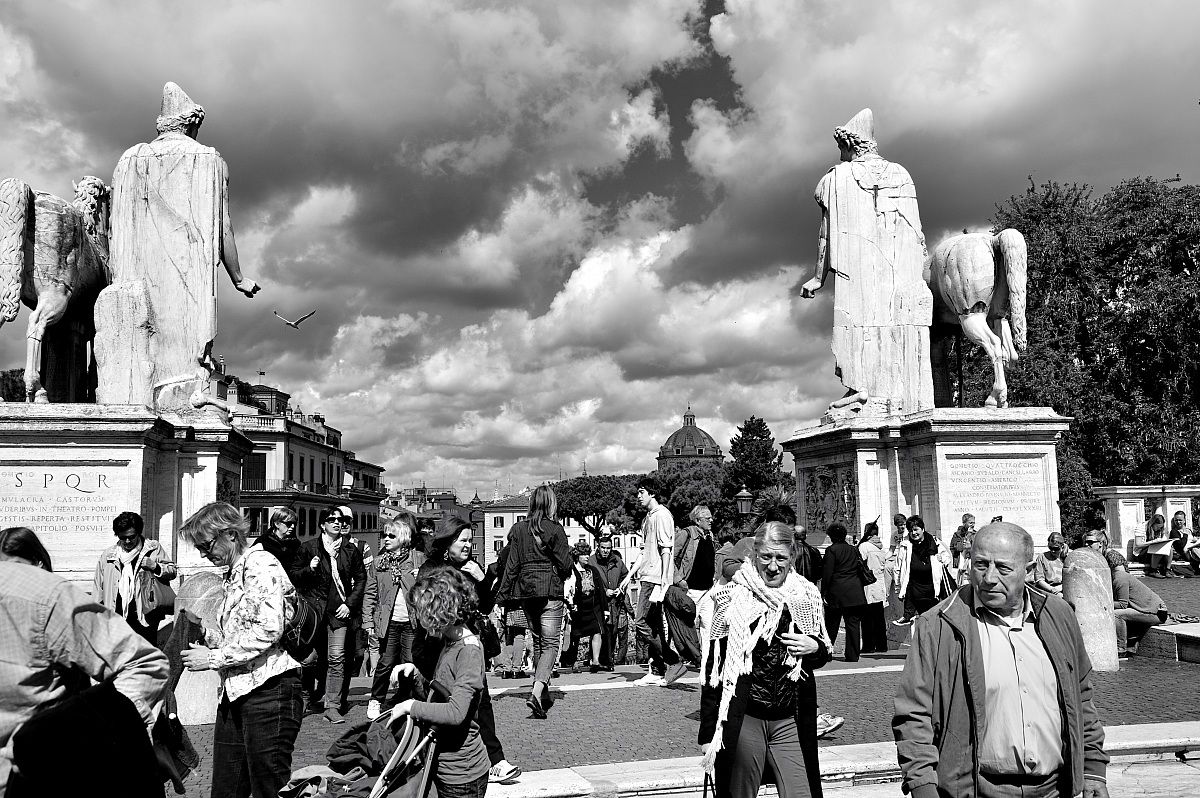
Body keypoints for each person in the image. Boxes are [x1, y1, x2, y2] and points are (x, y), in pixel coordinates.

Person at [893, 521, 1110, 798]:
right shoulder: (938, 625)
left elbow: (1081, 697)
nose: (989, 577)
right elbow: (913, 714)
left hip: (1055, 789)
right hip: (974, 789)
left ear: (1029, 571)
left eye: (1003, 568)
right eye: (981, 564)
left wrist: (1092, 769)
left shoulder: (1059, 616)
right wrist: (923, 787)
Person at [96, 81, 259, 413]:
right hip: (188, 275)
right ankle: (185, 397)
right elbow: (222, 226)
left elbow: (115, 227)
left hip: (135, 277)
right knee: (187, 351)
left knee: (145, 343)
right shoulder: (210, 160)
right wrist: (238, 277)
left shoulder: (130, 159)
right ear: (193, 123)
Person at [1, 527, 169, 797]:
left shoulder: (46, 597)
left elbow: (142, 662)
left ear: (39, 564)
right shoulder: (106, 556)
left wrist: (104, 737)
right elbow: (101, 585)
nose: (126, 541)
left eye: (20, 568)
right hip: (112, 618)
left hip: (142, 617)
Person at [800, 108, 933, 416]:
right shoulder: (901, 173)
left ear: (849, 144)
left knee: (857, 328)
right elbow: (917, 232)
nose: (840, 153)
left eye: (840, 147)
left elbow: (825, 234)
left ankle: (861, 391)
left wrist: (818, 278)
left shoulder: (834, 179)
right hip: (899, 269)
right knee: (894, 327)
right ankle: (890, 393)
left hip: (856, 271)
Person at [179, 502, 305, 798]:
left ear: (231, 535)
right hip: (235, 693)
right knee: (226, 789)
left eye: (206, 545)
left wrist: (212, 658)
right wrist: (206, 634)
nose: (202, 553)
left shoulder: (261, 564)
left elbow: (268, 629)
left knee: (270, 789)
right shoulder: (234, 572)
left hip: (269, 692)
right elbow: (240, 634)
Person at [699, 522, 832, 798]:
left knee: (801, 792)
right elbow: (715, 669)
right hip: (747, 715)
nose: (773, 566)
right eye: (766, 557)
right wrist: (708, 732)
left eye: (781, 558)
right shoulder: (733, 597)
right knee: (740, 793)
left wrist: (814, 646)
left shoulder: (805, 595)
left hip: (790, 718)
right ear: (754, 554)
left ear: (792, 557)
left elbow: (822, 654)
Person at [421, 516, 520, 785]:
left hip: (468, 643)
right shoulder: (431, 568)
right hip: (439, 647)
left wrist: (483, 578)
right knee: (442, 704)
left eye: (470, 541)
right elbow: (427, 608)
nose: (468, 545)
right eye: (462, 540)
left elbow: (486, 606)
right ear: (448, 542)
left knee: (482, 701)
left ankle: (496, 760)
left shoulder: (471, 568)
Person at [388, 567, 491, 798]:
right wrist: (416, 675)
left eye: (423, 612)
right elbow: (442, 692)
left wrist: (410, 706)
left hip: (463, 776)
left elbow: (456, 712)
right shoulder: (451, 642)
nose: (419, 619)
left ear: (439, 610)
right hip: (445, 767)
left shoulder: (468, 652)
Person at [494, 485, 573, 718]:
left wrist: (502, 594)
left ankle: (542, 693)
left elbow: (512, 565)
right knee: (550, 644)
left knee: (538, 642)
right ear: (551, 504)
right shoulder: (555, 529)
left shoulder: (518, 529)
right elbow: (566, 564)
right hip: (550, 590)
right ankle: (537, 691)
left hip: (526, 591)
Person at [299, 507, 366, 723]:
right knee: (308, 659)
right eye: (332, 519)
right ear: (322, 524)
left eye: (341, 520)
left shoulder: (350, 550)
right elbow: (294, 576)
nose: (337, 523)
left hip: (339, 613)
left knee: (337, 658)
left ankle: (333, 706)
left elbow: (361, 579)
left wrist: (349, 603)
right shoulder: (309, 548)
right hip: (315, 613)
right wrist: (309, 569)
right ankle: (306, 697)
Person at [620, 477, 685, 687]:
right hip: (647, 577)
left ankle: (673, 661)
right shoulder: (647, 518)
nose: (638, 496)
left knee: (641, 622)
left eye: (641, 492)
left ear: (652, 493)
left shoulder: (662, 516)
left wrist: (665, 582)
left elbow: (667, 550)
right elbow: (643, 551)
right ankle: (657, 669)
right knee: (654, 625)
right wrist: (628, 577)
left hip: (655, 579)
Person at [363, 512, 419, 720]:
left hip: (412, 621)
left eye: (391, 536)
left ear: (403, 538)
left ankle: (406, 698)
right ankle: (376, 699)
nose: (386, 539)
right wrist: (367, 620)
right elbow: (370, 593)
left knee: (409, 661)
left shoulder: (416, 561)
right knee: (385, 662)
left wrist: (414, 576)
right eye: (384, 535)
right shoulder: (378, 564)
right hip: (389, 621)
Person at [92, 511, 178, 645]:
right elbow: (99, 587)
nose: (127, 541)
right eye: (123, 537)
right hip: (116, 615)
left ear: (138, 533)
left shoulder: (152, 549)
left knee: (146, 654)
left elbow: (172, 571)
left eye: (131, 537)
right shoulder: (108, 555)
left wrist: (155, 566)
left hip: (146, 615)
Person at [1085, 536, 1170, 658]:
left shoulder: (1119, 578)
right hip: (1145, 609)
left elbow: (1122, 604)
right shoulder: (1114, 577)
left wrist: (1100, 602)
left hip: (1156, 612)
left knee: (1116, 614)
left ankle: (1121, 649)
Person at [821, 523, 868, 663]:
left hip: (837, 592)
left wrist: (823, 592)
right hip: (855, 591)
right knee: (853, 624)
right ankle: (853, 655)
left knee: (831, 624)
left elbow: (827, 573)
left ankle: (827, 653)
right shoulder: (853, 549)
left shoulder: (831, 550)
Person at [892, 515, 950, 626]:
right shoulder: (905, 545)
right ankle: (907, 615)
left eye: (916, 529)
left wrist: (941, 558)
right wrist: (898, 587)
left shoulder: (934, 542)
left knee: (932, 621)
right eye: (910, 531)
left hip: (931, 588)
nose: (913, 533)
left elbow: (947, 558)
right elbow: (898, 567)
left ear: (922, 529)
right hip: (914, 588)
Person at [566, 542, 608, 673]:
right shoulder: (571, 570)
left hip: (593, 607)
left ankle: (595, 661)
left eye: (587, 554)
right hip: (578, 608)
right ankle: (574, 662)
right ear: (577, 556)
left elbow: (600, 590)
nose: (586, 557)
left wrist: (605, 609)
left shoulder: (592, 570)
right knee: (576, 635)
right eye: (583, 554)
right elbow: (568, 590)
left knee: (597, 631)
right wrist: (570, 606)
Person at [590, 532, 630, 669]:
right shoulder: (592, 561)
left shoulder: (617, 561)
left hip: (614, 603)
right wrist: (603, 591)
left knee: (612, 632)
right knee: (599, 631)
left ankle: (607, 659)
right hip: (597, 604)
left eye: (608, 548)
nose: (606, 551)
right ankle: (600, 660)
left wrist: (620, 588)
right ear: (598, 547)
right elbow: (588, 581)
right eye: (603, 548)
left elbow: (626, 576)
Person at [256, 506, 307, 588]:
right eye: (289, 524)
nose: (293, 527)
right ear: (277, 524)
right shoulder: (262, 543)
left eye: (294, 524)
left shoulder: (296, 544)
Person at [858, 523, 889, 654]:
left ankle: (868, 646)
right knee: (879, 617)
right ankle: (882, 645)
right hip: (879, 584)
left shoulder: (864, 546)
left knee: (867, 618)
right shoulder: (880, 547)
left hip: (868, 584)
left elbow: (859, 563)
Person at [675, 504, 717, 603]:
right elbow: (670, 558)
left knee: (709, 619)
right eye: (707, 519)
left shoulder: (710, 536)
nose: (711, 521)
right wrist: (679, 580)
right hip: (690, 590)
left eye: (711, 518)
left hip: (708, 590)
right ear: (698, 521)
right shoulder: (686, 534)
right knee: (689, 618)